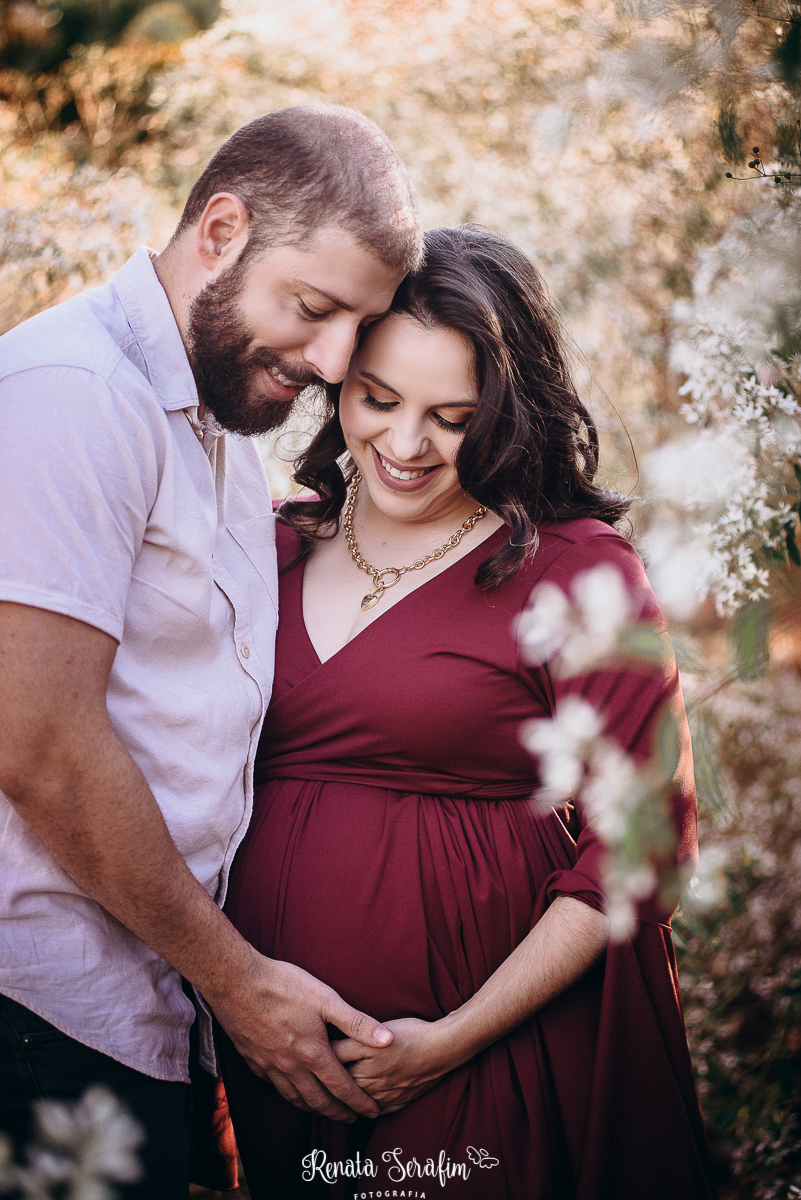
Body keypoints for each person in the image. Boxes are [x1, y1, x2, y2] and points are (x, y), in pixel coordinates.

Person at [218, 225, 718, 1199]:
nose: (406, 446)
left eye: (454, 416)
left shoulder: (577, 571)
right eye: (380, 399)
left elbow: (644, 847)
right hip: (274, 1053)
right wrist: (232, 994)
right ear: (336, 377)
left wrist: (447, 1044)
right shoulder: (260, 548)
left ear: (509, 409)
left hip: (484, 1053)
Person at [0, 104, 423, 1198]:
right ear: (222, 229)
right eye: (315, 308)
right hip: (38, 1015)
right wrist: (240, 985)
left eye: (355, 329)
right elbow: (38, 745)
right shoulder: (76, 396)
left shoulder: (219, 418)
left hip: (149, 1006)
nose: (332, 361)